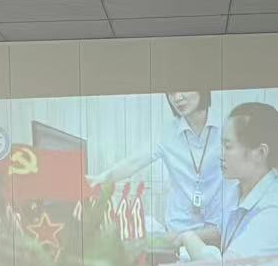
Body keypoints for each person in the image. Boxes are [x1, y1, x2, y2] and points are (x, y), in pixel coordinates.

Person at [178, 102, 278, 262]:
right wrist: (179, 237)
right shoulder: (237, 191)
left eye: (228, 146)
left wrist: (189, 238)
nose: (220, 154)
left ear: (260, 153)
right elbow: (224, 232)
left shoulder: (276, 210)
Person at [89, 90, 224, 235]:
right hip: (179, 231)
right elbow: (133, 163)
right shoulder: (167, 132)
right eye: (171, 93)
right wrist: (101, 178)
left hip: (218, 229)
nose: (177, 98)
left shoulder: (225, 127)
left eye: (183, 88)